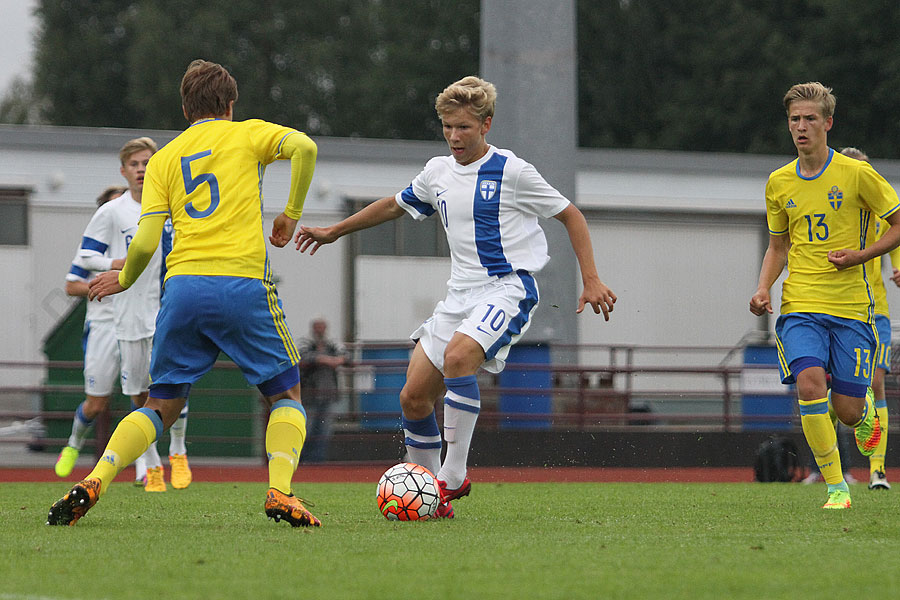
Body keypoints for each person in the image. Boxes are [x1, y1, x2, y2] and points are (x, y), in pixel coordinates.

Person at [295, 75, 616, 518]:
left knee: (460, 358)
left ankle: (452, 476)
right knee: (412, 396)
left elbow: (570, 215)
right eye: (447, 126)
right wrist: (334, 230)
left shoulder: (512, 171)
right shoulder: (437, 172)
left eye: (463, 127)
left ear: (486, 124)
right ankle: (427, 496)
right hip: (459, 295)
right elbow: (392, 205)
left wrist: (592, 278)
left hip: (508, 287)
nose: (453, 136)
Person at [48, 59, 320, 527]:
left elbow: (149, 240)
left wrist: (126, 279)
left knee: (160, 404)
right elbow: (305, 147)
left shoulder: (166, 158)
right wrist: (290, 214)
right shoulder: (247, 133)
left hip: (182, 289)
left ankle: (97, 477)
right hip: (242, 284)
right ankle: (280, 491)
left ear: (184, 107)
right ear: (230, 104)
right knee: (285, 393)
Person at [749, 82, 900, 509]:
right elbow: (778, 246)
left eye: (810, 118)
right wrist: (763, 287)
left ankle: (866, 414)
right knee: (810, 385)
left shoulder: (857, 175)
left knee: (849, 410)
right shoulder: (778, 182)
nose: (801, 126)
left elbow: (898, 224)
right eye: (794, 119)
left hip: (853, 308)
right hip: (801, 305)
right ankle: (836, 486)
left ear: (828, 123)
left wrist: (861, 256)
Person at [67, 138, 191, 493]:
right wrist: (116, 264)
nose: (141, 169)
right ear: (124, 171)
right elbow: (86, 258)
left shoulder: (172, 205)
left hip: (169, 308)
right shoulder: (112, 212)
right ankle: (152, 466)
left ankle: (179, 453)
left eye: (147, 163)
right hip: (128, 315)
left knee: (174, 385)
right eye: (135, 164)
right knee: (140, 396)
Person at [54, 186, 126, 478]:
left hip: (139, 324)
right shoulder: (95, 249)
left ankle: (148, 468)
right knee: (97, 403)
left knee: (145, 396)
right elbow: (71, 285)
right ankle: (73, 444)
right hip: (103, 326)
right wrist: (103, 285)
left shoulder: (142, 241)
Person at [841, 146, 896, 490]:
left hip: (875, 312)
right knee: (835, 393)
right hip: (840, 310)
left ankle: (877, 470)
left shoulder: (879, 210)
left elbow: (897, 232)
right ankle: (834, 467)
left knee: (876, 383)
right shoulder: (838, 213)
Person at [297, 318, 348, 462]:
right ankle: (302, 459)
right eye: (317, 327)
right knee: (307, 428)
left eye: (322, 327)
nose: (319, 330)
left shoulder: (332, 343)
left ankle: (318, 460)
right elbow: (301, 356)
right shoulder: (306, 342)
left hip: (328, 394)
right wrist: (323, 359)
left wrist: (338, 360)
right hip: (310, 394)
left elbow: (346, 355)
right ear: (312, 328)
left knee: (324, 430)